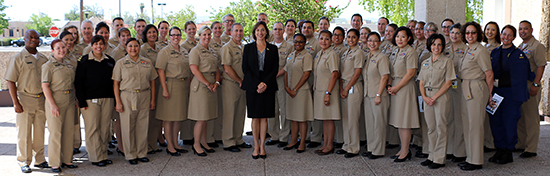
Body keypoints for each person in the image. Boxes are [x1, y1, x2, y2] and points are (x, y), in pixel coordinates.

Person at [5, 29, 50, 173]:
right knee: (24, 134)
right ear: (24, 39)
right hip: (24, 100)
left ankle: (40, 159)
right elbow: (11, 81)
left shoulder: (43, 59)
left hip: (41, 100)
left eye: (36, 38)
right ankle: (24, 161)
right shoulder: (17, 58)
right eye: (31, 37)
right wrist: (15, 102)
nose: (34, 40)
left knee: (39, 132)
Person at [488, 25, 533, 165]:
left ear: (513, 37)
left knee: (509, 123)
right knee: (496, 122)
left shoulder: (518, 54)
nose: (505, 37)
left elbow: (521, 76)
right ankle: (500, 149)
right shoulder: (495, 52)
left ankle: (508, 151)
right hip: (496, 93)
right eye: (503, 34)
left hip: (511, 95)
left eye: (509, 35)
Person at [113, 38, 158, 165]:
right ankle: (131, 154)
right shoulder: (121, 63)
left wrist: (153, 99)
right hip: (127, 96)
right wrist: (118, 102)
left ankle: (142, 153)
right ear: (126, 48)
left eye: (136, 46)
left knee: (142, 125)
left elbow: (152, 82)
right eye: (130, 46)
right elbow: (116, 83)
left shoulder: (147, 62)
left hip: (144, 95)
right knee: (128, 126)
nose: (133, 49)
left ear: (139, 47)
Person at [457, 21, 493, 171]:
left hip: (476, 87)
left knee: (476, 125)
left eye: (473, 32)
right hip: (465, 87)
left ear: (478, 34)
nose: (470, 35)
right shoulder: (467, 49)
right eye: (467, 33)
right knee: (467, 124)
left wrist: (489, 95)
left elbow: (489, 74)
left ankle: (476, 160)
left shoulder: (480, 50)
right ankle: (470, 157)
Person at [75, 35, 116, 167]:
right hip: (89, 101)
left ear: (104, 45)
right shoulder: (84, 61)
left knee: (104, 129)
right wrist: (81, 101)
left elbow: (114, 83)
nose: (99, 46)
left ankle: (103, 155)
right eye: (96, 44)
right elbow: (78, 82)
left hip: (107, 99)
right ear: (91, 46)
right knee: (93, 129)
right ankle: (95, 157)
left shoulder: (110, 61)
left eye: (101, 44)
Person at [417, 34, 456, 169]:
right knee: (431, 128)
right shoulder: (425, 62)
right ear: (429, 46)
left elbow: (448, 82)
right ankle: (431, 155)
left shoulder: (447, 62)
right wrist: (425, 97)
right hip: (427, 97)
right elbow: (421, 82)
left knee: (441, 127)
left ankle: (439, 159)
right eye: (433, 44)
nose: (436, 47)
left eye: (439, 44)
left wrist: (434, 97)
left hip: (440, 96)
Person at [241, 21, 279, 159]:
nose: (260, 32)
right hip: (253, 86)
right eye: (258, 30)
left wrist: (264, 83)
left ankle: (262, 146)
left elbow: (275, 69)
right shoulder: (248, 48)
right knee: (255, 117)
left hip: (267, 86)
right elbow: (245, 68)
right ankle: (255, 146)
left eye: (263, 30)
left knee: (264, 117)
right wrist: (257, 84)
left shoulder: (273, 49)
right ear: (254, 32)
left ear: (266, 32)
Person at [42, 39, 78, 172]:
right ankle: (55, 162)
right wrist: (52, 104)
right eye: (58, 48)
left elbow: (73, 84)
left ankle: (67, 160)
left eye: (63, 47)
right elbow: (45, 86)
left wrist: (75, 99)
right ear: (52, 50)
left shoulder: (68, 64)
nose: (62, 50)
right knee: (56, 132)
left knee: (68, 131)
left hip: (69, 99)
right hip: (55, 99)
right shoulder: (48, 66)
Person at [155, 26, 191, 156]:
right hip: (170, 86)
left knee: (178, 118)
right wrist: (165, 89)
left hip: (182, 86)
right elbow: (160, 71)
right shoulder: (164, 52)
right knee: (169, 118)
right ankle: (170, 146)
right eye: (173, 35)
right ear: (169, 37)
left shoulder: (184, 51)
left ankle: (176, 143)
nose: (176, 37)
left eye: (178, 35)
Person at [387, 27, 419, 162]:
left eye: (403, 37)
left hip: (404, 87)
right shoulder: (396, 50)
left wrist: (396, 88)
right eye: (397, 36)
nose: (399, 39)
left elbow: (410, 73)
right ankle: (402, 149)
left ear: (409, 38)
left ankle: (406, 151)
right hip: (395, 86)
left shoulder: (411, 52)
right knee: (399, 121)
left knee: (405, 121)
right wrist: (390, 86)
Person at [188, 26, 221, 157]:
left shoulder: (212, 51)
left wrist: (216, 83)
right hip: (201, 85)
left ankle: (204, 142)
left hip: (212, 85)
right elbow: (194, 70)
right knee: (201, 118)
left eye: (209, 34)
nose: (207, 37)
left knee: (206, 117)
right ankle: (196, 145)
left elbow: (217, 69)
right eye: (204, 35)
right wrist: (208, 84)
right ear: (199, 36)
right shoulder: (195, 51)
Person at [517, 20, 547, 158]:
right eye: (520, 29)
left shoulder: (537, 46)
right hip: (521, 86)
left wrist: (536, 84)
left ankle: (531, 148)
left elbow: (541, 66)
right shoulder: (521, 46)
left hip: (531, 85)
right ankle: (521, 144)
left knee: (531, 117)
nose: (523, 31)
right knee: (521, 116)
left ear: (531, 30)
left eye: (525, 29)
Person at [221, 23, 252, 152]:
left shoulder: (244, 47)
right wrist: (239, 80)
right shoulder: (227, 47)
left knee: (240, 113)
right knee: (230, 113)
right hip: (231, 84)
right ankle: (229, 142)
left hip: (242, 85)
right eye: (236, 31)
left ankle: (238, 139)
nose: (239, 33)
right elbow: (227, 68)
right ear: (231, 32)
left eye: (241, 30)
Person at [335, 28, 364, 158]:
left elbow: (357, 73)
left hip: (353, 87)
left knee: (352, 119)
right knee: (346, 118)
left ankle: (353, 147)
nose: (350, 39)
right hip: (344, 86)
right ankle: (346, 144)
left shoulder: (358, 53)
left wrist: (346, 89)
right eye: (349, 37)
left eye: (353, 37)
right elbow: (341, 73)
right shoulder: (346, 52)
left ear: (357, 39)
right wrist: (342, 88)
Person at [282, 33, 314, 153]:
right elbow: (285, 71)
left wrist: (295, 89)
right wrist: (286, 87)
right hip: (290, 91)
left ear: (305, 43)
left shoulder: (307, 56)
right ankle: (293, 141)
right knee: (293, 118)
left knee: (301, 118)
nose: (298, 44)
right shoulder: (290, 55)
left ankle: (302, 143)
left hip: (301, 91)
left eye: (300, 42)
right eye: (296, 41)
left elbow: (307, 74)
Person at [361, 32, 390, 159]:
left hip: (378, 95)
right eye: (370, 40)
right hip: (368, 94)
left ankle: (378, 150)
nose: (372, 43)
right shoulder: (368, 56)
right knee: (370, 123)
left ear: (379, 42)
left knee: (379, 124)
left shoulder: (381, 57)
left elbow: (384, 77)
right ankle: (371, 148)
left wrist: (378, 94)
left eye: (375, 40)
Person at [312, 30, 341, 156]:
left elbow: (335, 74)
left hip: (328, 91)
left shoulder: (332, 54)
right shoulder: (319, 54)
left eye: (327, 39)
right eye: (321, 38)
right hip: (319, 90)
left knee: (329, 119)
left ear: (331, 40)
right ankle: (325, 144)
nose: (324, 41)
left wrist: (328, 92)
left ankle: (330, 145)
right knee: (324, 119)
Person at [443, 23, 468, 163]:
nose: (454, 35)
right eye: (452, 32)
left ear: (462, 35)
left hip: (459, 86)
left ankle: (460, 151)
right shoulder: (446, 49)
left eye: (457, 33)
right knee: (449, 118)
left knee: (459, 119)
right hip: (447, 87)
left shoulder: (465, 49)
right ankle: (450, 149)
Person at [267, 22, 294, 147]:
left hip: (282, 80)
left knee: (284, 109)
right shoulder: (267, 46)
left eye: (280, 29)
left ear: (283, 31)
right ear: (272, 31)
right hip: (269, 82)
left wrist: (276, 74)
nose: (277, 31)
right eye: (275, 29)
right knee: (271, 109)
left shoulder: (289, 47)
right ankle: (274, 135)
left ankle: (284, 137)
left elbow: (288, 65)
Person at [139, 24, 164, 154]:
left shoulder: (160, 47)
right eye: (149, 32)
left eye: (154, 32)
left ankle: (153, 144)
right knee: (147, 117)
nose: (152, 34)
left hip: (160, 84)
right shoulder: (142, 49)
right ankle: (146, 146)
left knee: (156, 117)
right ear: (145, 34)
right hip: (149, 85)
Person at [302, 21, 323, 148]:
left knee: (315, 109)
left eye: (309, 27)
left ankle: (315, 137)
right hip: (301, 81)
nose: (306, 29)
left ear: (313, 29)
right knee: (305, 108)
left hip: (313, 79)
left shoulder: (317, 43)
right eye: (304, 27)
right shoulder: (299, 41)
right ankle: (305, 136)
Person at [207, 21, 225, 148]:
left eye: (220, 28)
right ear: (212, 30)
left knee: (222, 110)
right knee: (212, 110)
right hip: (214, 80)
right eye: (215, 28)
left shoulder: (226, 42)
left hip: (225, 79)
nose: (218, 30)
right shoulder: (209, 44)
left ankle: (219, 136)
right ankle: (210, 137)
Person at [180, 21, 198, 145]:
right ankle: (187, 135)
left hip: (198, 80)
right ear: (185, 31)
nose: (192, 31)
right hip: (189, 78)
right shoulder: (184, 46)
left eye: (193, 28)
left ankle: (195, 134)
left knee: (196, 109)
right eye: (189, 29)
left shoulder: (199, 43)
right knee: (187, 108)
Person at [331, 26, 347, 148]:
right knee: (334, 113)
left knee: (341, 113)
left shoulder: (344, 50)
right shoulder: (330, 48)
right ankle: (337, 137)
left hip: (339, 83)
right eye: (335, 34)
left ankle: (341, 139)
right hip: (332, 84)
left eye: (339, 35)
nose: (337, 37)